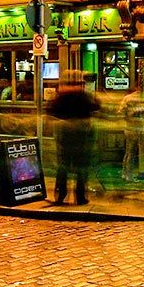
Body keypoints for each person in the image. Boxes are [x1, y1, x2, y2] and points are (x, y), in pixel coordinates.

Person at [50, 71, 100, 205]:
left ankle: (60, 195)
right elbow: (96, 107)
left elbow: (53, 110)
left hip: (64, 135)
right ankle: (80, 196)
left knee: (63, 166)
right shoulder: (84, 96)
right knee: (81, 167)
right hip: (81, 136)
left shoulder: (61, 97)